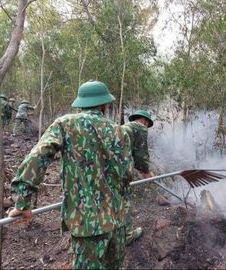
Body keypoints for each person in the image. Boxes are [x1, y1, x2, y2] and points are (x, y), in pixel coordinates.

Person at [8, 80, 134, 269]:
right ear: (105, 105)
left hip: (86, 226)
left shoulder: (66, 124)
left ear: (81, 104)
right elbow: (127, 173)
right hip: (117, 222)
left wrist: (23, 202)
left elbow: (37, 157)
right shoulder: (118, 131)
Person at [121, 110, 155, 246]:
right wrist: (146, 172)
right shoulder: (140, 128)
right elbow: (140, 157)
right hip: (119, 169)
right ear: (144, 122)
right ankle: (127, 234)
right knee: (124, 197)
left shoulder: (124, 128)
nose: (146, 127)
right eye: (147, 124)